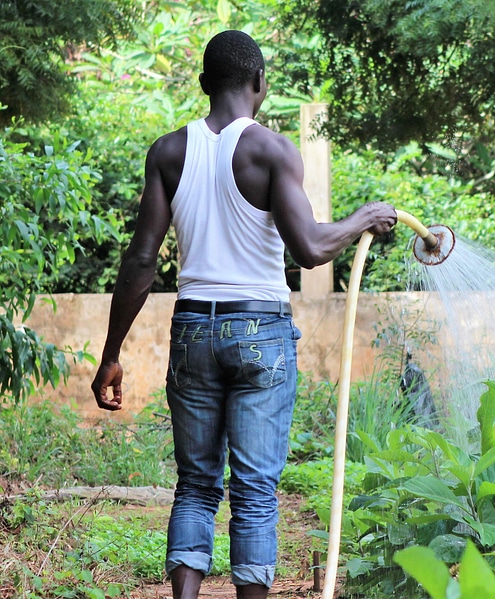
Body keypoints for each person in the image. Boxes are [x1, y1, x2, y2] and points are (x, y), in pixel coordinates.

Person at [90, 30, 397, 599]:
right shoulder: (271, 150)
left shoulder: (168, 151)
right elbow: (308, 248)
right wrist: (365, 217)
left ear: (205, 85)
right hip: (261, 331)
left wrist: (111, 354)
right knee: (255, 489)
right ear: (260, 83)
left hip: (193, 330)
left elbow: (140, 260)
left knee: (196, 485)